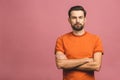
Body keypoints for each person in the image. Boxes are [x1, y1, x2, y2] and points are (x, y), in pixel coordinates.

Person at [55, 5, 103, 80]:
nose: (77, 21)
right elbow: (60, 64)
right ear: (69, 20)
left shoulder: (96, 39)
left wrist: (68, 63)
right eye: (74, 18)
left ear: (85, 19)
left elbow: (96, 66)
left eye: (80, 17)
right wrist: (85, 60)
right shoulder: (61, 39)